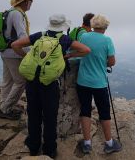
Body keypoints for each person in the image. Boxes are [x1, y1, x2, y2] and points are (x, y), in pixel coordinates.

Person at [11, 14, 91, 158]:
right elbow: (86, 50)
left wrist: (27, 57)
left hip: (32, 81)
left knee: (33, 114)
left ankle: (33, 147)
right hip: (50, 84)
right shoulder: (64, 39)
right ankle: (50, 150)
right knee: (50, 117)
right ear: (63, 26)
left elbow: (15, 45)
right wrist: (68, 56)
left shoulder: (39, 36)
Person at [72, 14, 122, 154]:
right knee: (104, 113)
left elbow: (80, 53)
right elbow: (111, 62)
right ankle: (109, 143)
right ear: (105, 27)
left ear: (93, 25)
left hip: (82, 81)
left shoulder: (84, 37)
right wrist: (102, 62)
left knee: (85, 110)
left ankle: (87, 143)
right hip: (99, 83)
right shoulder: (107, 40)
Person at [0, 0, 35, 120]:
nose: (32, 3)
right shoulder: (18, 15)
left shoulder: (9, 12)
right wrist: (31, 52)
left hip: (4, 51)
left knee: (8, 81)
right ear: (25, 2)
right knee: (20, 82)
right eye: (30, 0)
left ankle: (4, 105)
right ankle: (5, 109)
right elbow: (22, 35)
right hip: (14, 53)